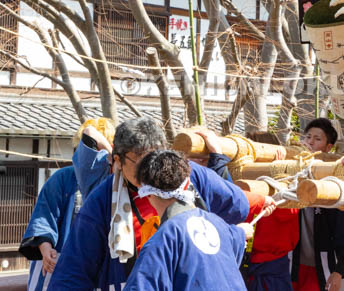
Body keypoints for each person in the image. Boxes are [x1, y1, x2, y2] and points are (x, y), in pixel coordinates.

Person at [49, 117, 249, 290]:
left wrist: (217, 159)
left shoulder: (193, 175)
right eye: (140, 162)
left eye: (155, 157)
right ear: (117, 161)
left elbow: (237, 207)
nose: (150, 169)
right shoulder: (102, 200)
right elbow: (74, 270)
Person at [122, 150, 253, 290]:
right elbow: (235, 238)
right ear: (187, 184)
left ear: (146, 194)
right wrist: (241, 232)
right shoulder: (218, 224)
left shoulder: (163, 240)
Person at [20, 119, 115, 291]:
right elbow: (44, 215)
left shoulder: (114, 181)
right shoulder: (63, 177)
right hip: (57, 259)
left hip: (96, 262)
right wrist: (45, 247)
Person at [293, 118, 344, 291]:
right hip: (296, 263)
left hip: (327, 264)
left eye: (317, 139)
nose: (310, 142)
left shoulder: (334, 181)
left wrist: (340, 271)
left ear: (329, 147)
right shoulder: (293, 172)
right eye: (308, 137)